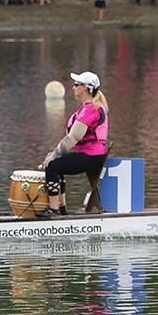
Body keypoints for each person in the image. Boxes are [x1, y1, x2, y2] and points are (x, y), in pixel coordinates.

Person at [40, 71, 110, 215]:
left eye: (76, 85)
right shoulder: (90, 107)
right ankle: (61, 208)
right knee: (56, 161)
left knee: (52, 166)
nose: (73, 87)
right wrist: (54, 154)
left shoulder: (91, 109)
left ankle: (53, 210)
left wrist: (53, 155)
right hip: (90, 155)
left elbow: (73, 138)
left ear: (85, 88)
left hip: (91, 157)